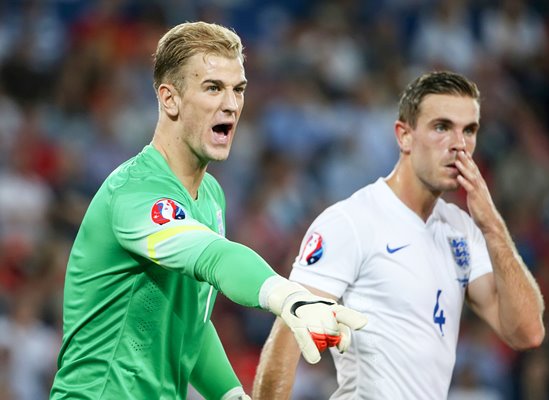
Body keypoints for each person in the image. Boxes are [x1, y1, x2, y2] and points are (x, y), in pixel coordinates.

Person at [49, 21, 367, 400]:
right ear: (170, 99)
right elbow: (214, 257)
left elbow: (191, 324)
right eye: (213, 88)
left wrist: (232, 395)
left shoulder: (211, 195)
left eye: (238, 90)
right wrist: (288, 296)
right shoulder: (135, 192)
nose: (231, 105)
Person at [253, 70, 545, 399]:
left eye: (469, 131)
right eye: (442, 127)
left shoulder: (462, 229)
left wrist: (492, 226)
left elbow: (527, 332)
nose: (459, 145)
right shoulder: (351, 222)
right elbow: (285, 343)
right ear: (404, 136)